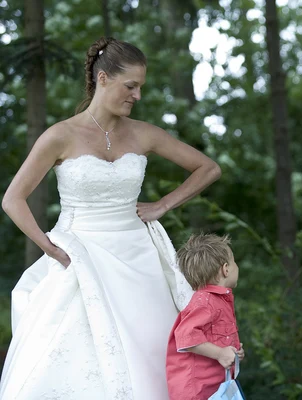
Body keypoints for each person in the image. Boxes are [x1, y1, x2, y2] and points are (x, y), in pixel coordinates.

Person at [0, 37, 220, 399]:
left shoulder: (143, 133)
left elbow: (208, 168)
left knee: (153, 346)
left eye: (140, 87)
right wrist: (49, 247)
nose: (137, 95)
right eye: (130, 86)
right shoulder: (60, 136)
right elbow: (13, 199)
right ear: (103, 79)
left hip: (139, 258)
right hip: (80, 255)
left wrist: (163, 204)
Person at [166, 232, 244, 400]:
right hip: (196, 390)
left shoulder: (218, 300)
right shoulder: (205, 301)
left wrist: (232, 351)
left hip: (214, 388)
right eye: (234, 262)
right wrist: (220, 353)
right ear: (226, 269)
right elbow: (186, 336)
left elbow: (215, 336)